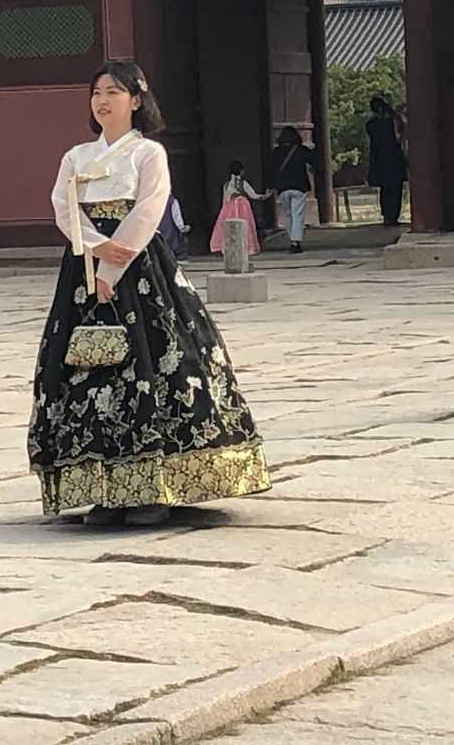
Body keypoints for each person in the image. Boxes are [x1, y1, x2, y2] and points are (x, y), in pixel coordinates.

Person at [32, 59, 270, 525]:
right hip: (83, 267)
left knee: (154, 365)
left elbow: (149, 209)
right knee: (88, 374)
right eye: (97, 92)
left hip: (139, 269)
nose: (103, 101)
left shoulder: (148, 154)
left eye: (114, 92)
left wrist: (112, 266)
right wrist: (96, 250)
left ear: (137, 101)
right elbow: (64, 208)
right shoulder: (76, 157)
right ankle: (102, 488)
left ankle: (154, 488)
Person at [266, 127, 316, 254]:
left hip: (282, 188)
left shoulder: (276, 152)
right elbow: (313, 162)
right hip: (299, 187)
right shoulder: (301, 150)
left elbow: (271, 171)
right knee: (297, 214)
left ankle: (292, 239)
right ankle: (296, 242)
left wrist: (270, 186)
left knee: (287, 215)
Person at [365, 97, 408, 228]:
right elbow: (400, 135)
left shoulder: (371, 125)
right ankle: (393, 216)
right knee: (395, 190)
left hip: (379, 161)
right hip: (394, 159)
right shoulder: (392, 121)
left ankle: (387, 217)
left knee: (385, 190)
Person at [209, 161, 268, 257]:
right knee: (246, 226)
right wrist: (264, 196)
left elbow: (225, 199)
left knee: (227, 227)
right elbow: (253, 195)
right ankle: (248, 248)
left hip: (229, 208)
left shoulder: (227, 184)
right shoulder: (243, 183)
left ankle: (225, 248)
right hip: (243, 206)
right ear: (241, 171)